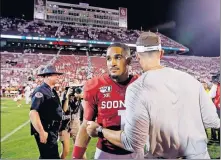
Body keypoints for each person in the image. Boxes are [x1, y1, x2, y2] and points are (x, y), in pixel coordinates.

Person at [86, 32, 220, 159]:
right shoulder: (191, 80)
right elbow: (213, 121)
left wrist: (100, 130)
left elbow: (133, 143)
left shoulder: (137, 88)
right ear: (161, 54)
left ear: (137, 57)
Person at [72, 43, 138, 159]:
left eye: (117, 57)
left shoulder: (141, 84)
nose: (112, 63)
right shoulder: (95, 86)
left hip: (136, 152)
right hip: (106, 153)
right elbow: (86, 125)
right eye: (108, 58)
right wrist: (76, 157)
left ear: (128, 61)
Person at [29, 65, 63, 159]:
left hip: (52, 130)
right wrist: (41, 132)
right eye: (55, 75)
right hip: (45, 130)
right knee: (51, 156)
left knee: (46, 156)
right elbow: (33, 112)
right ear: (47, 76)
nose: (57, 77)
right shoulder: (40, 91)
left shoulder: (52, 91)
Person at [59, 87, 84, 159]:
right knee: (66, 151)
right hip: (64, 125)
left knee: (81, 152)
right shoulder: (65, 94)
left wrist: (79, 95)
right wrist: (67, 97)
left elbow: (86, 97)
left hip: (75, 124)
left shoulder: (79, 95)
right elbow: (64, 109)